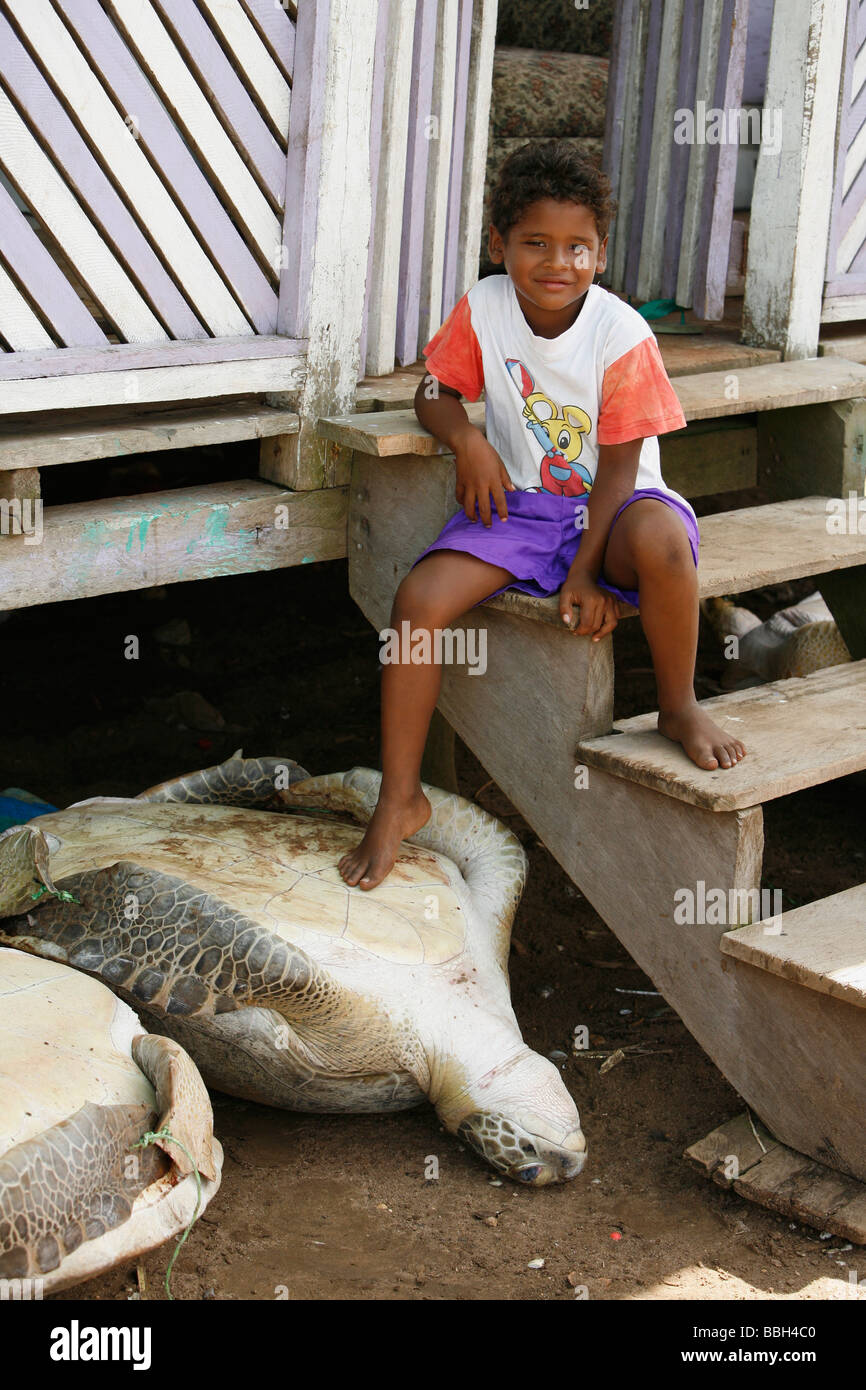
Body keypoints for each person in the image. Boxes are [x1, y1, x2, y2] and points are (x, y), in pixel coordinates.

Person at [339, 139, 745, 891]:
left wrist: (587, 573)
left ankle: (679, 704)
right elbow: (434, 392)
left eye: (577, 247)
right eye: (535, 243)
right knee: (416, 604)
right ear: (500, 245)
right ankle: (401, 796)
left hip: (616, 510)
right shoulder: (484, 306)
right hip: (521, 508)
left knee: (664, 543)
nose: (557, 263)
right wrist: (466, 441)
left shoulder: (622, 333)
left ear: (599, 252)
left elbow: (619, 468)